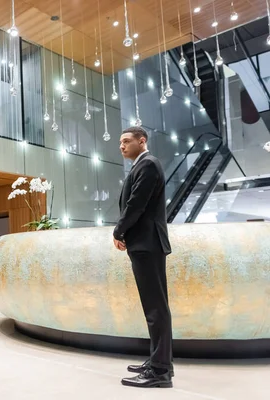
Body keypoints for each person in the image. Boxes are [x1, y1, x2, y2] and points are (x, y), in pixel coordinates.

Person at [113, 127, 173, 388]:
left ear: (142, 141)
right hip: (144, 244)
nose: (121, 146)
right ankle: (158, 361)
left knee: (155, 309)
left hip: (148, 245)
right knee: (154, 308)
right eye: (120, 142)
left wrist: (119, 229)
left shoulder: (148, 164)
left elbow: (136, 204)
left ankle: (160, 371)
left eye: (126, 141)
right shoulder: (143, 165)